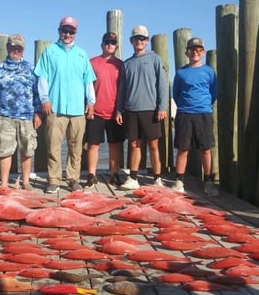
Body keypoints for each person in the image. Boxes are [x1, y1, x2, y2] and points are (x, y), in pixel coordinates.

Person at [34, 16, 96, 193]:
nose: (68, 34)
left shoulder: (82, 54)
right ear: (59, 31)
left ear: (75, 33)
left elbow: (88, 81)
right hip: (55, 108)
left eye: (71, 31)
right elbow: (42, 78)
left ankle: (73, 179)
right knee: (53, 146)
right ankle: (53, 179)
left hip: (78, 109)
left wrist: (91, 102)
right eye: (64, 30)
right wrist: (44, 98)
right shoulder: (49, 51)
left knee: (75, 147)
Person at [115, 25, 168, 190]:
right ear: (131, 41)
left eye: (142, 38)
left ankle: (157, 178)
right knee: (133, 145)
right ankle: (133, 177)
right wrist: (118, 109)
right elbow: (122, 89)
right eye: (136, 38)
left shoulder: (155, 59)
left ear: (147, 41)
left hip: (151, 109)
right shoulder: (127, 64)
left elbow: (162, 85)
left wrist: (162, 107)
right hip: (131, 110)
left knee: (153, 145)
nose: (139, 41)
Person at [0, 34, 41, 191]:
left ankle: (26, 182)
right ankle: (4, 183)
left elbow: (37, 92)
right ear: (8, 47)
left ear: (23, 50)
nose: (16, 50)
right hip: (5, 117)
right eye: (13, 46)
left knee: (27, 150)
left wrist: (38, 113)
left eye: (19, 48)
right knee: (5, 151)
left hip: (27, 117)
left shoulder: (30, 68)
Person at [172, 37, 219, 196]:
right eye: (192, 49)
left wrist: (203, 105)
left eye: (198, 50)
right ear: (187, 53)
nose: (195, 52)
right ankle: (179, 181)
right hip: (184, 113)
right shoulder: (180, 72)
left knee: (205, 149)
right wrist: (186, 106)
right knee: (182, 149)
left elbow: (213, 93)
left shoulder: (209, 71)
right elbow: (176, 94)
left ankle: (208, 182)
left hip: (203, 114)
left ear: (203, 52)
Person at [84, 32, 125, 189]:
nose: (110, 45)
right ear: (102, 45)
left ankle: (114, 174)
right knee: (93, 144)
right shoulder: (92, 62)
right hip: (96, 111)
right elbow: (86, 86)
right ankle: (91, 175)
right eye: (107, 42)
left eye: (113, 43)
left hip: (115, 112)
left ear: (116, 46)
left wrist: (120, 110)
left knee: (115, 144)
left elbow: (124, 89)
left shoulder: (121, 65)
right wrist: (89, 105)